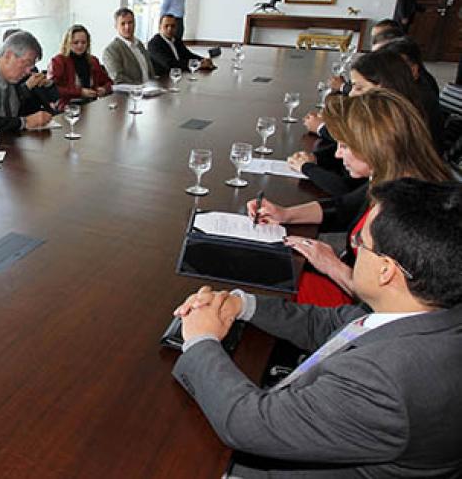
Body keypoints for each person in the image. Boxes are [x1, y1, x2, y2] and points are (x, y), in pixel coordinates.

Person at [173, 177, 462, 478]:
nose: (353, 247)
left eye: (360, 242)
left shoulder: (386, 382)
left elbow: (249, 424)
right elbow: (334, 324)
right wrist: (242, 304)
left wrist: (201, 339)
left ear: (386, 270)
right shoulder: (431, 309)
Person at [250, 89, 450, 307]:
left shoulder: (409, 214)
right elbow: (343, 207)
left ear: (375, 147)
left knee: (261, 281)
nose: (337, 154)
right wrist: (285, 214)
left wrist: (332, 265)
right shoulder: (393, 178)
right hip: (349, 280)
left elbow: (390, 304)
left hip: (355, 307)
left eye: (344, 146)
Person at [290, 49, 437, 195]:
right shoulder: (398, 115)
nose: (351, 93)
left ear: (385, 88)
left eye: (359, 87)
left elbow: (349, 190)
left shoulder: (395, 128)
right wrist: (317, 158)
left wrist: (308, 168)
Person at [47, 24, 113, 106]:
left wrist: (104, 89)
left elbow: (109, 82)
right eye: (76, 42)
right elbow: (52, 89)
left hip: (91, 105)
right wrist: (80, 92)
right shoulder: (58, 61)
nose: (80, 46)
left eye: (83, 42)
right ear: (68, 43)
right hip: (67, 107)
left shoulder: (93, 61)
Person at [102, 7, 158, 84]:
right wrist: (140, 88)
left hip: (150, 90)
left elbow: (150, 71)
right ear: (116, 26)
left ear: (135, 23)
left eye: (130, 22)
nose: (127, 27)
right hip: (130, 94)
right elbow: (118, 78)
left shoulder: (139, 44)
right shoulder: (111, 50)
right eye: (123, 24)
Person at [146, 14, 214, 76]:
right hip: (162, 80)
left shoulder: (176, 40)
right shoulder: (154, 44)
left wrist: (203, 60)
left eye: (173, 26)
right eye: (166, 26)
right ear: (160, 27)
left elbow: (188, 55)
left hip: (179, 76)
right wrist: (198, 64)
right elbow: (169, 64)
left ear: (176, 28)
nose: (169, 29)